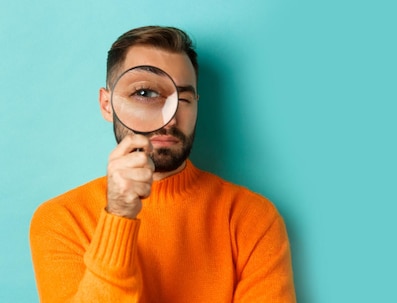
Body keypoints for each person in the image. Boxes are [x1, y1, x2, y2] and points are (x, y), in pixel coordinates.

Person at [29, 26, 296, 302]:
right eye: (145, 94)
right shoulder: (61, 220)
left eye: (183, 99)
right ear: (108, 105)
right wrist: (118, 218)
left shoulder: (250, 217)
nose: (169, 120)